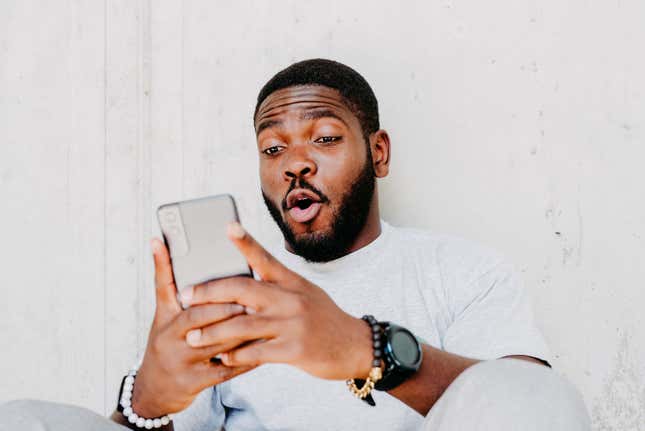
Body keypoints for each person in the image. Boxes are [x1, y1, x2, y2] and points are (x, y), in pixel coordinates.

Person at [0, 59, 590, 431]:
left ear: (378, 153)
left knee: (528, 389)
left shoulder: (461, 269)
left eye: (324, 137)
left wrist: (366, 351)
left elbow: (529, 405)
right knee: (21, 420)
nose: (295, 164)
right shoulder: (228, 294)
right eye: (273, 148)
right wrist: (148, 399)